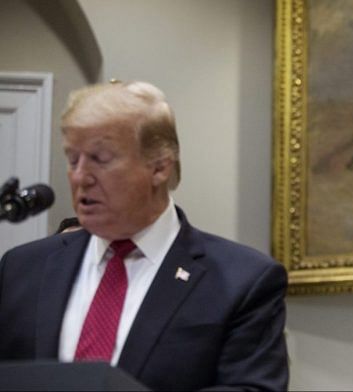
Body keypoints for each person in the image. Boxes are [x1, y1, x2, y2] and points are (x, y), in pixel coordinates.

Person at [0, 81, 288, 391]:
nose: (81, 177)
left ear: (160, 166)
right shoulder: (22, 268)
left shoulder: (243, 280)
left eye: (100, 158)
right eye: (73, 160)